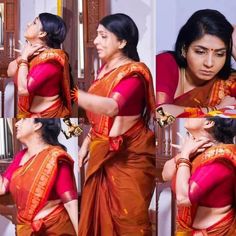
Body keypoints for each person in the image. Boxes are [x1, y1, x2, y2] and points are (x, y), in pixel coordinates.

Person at [74, 13, 156, 235]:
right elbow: (102, 117)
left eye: (103, 36)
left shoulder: (134, 73)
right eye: (97, 36)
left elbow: (112, 107)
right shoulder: (104, 69)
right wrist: (87, 142)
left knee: (129, 222)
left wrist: (72, 94)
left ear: (122, 42)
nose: (96, 42)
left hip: (128, 158)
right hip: (102, 153)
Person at [0, 119, 78, 235]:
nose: (17, 124)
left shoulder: (56, 157)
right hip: (26, 230)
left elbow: (70, 203)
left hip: (56, 229)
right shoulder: (20, 156)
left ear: (37, 125)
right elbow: (2, 188)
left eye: (23, 120)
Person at [162, 117, 236, 235]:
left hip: (214, 232)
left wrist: (185, 155)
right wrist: (184, 153)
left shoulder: (220, 160)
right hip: (188, 230)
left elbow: (184, 198)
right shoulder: (196, 151)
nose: (189, 115)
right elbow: (165, 174)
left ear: (209, 123)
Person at [156, 9, 236, 117]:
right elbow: (160, 116)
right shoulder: (165, 63)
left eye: (220, 54)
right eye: (200, 52)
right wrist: (215, 110)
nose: (209, 63)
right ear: (184, 49)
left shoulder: (227, 83)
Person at [7, 13, 72, 118]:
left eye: (34, 23)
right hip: (30, 115)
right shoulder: (32, 53)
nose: (28, 24)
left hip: (48, 116)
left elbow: (23, 90)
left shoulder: (51, 61)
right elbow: (10, 71)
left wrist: (24, 58)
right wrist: (23, 56)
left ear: (42, 33)